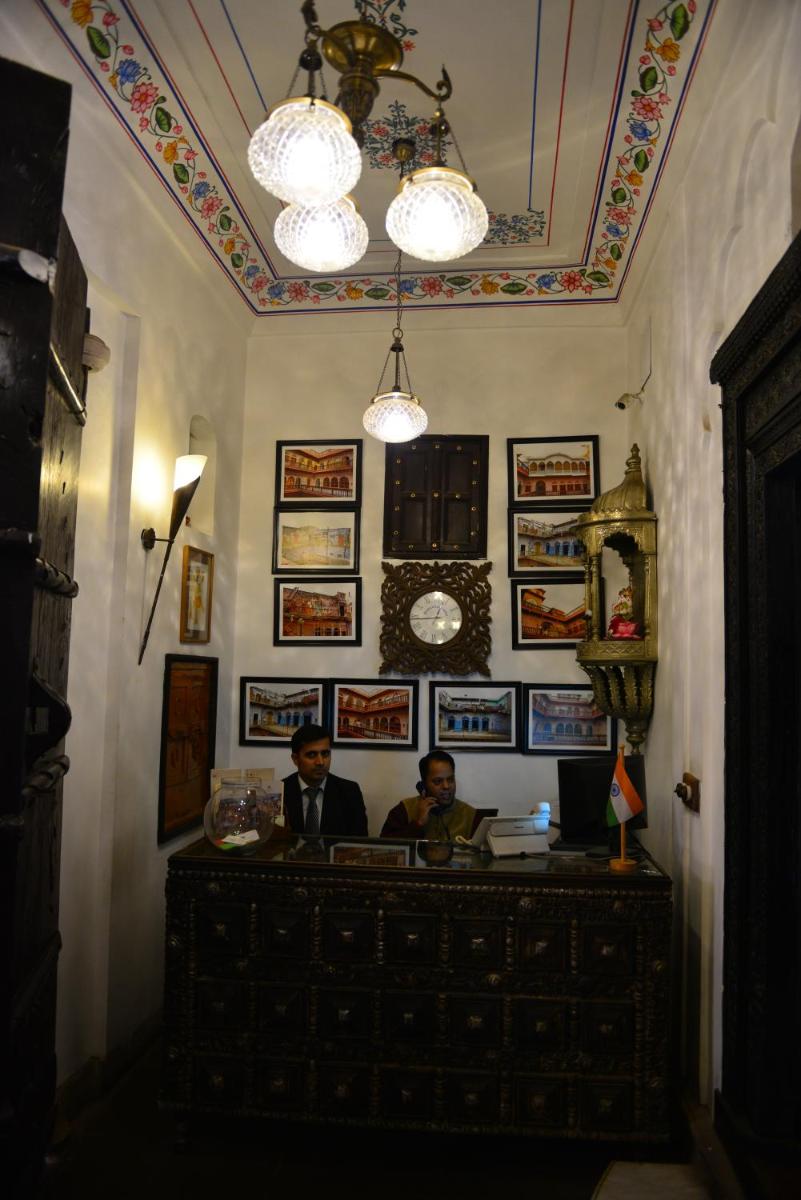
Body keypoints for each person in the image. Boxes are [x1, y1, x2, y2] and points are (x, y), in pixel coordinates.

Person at [282, 723, 368, 837]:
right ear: (295, 759)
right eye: (311, 755)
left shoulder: (350, 791)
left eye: (325, 754)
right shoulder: (281, 791)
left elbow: (359, 841)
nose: (320, 762)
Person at [380, 750, 477, 841]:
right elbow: (386, 849)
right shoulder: (403, 810)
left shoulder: (470, 815)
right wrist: (418, 824)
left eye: (450, 779)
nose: (446, 786)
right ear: (424, 784)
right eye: (438, 781)